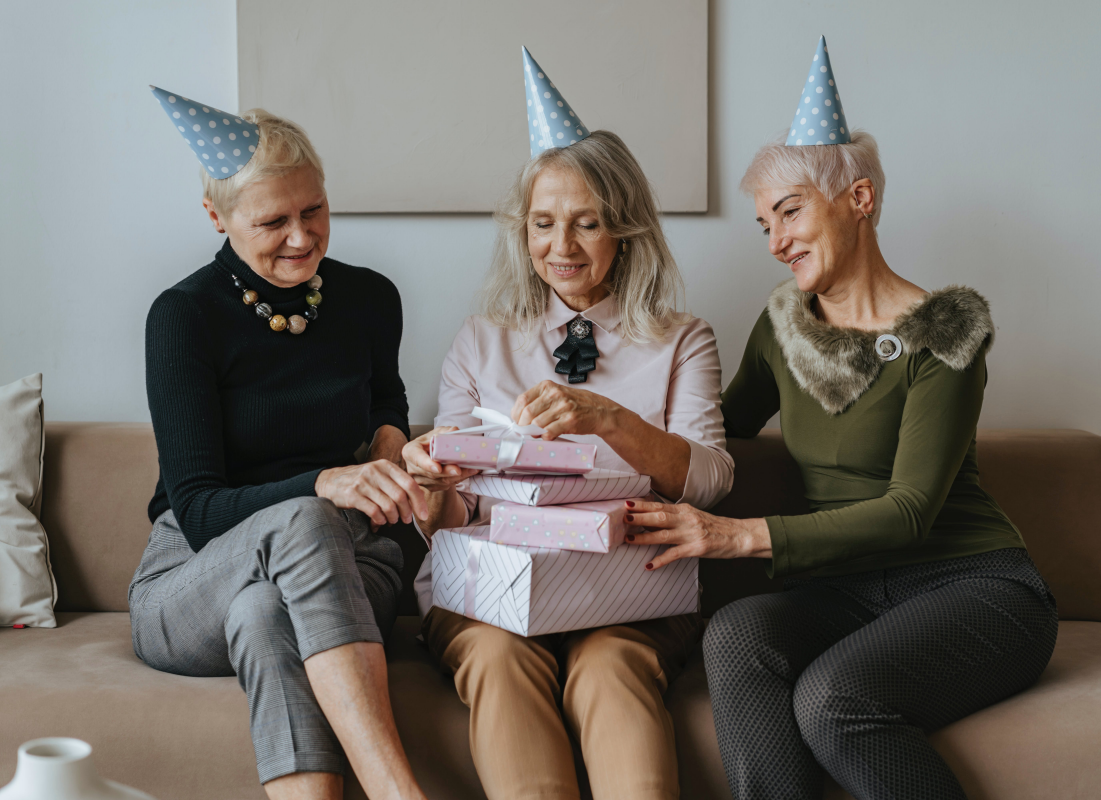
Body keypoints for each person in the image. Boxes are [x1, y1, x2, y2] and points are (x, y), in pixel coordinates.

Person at [623, 38, 1059, 800]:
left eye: (789, 212)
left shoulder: (945, 334)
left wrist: (740, 537)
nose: (776, 241)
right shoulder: (783, 326)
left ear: (858, 200)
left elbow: (911, 512)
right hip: (850, 592)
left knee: (835, 699)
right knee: (736, 636)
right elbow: (709, 438)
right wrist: (610, 432)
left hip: (976, 586)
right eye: (765, 225)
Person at [400, 49, 734, 800]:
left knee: (611, 668)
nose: (562, 247)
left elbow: (710, 481)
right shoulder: (481, 338)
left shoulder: (683, 337)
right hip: (490, 593)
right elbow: (453, 516)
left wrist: (607, 418)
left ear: (626, 231)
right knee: (494, 658)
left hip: (630, 588)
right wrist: (434, 487)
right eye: (544, 224)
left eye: (587, 225)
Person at [132, 88, 430, 800]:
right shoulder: (183, 317)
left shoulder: (370, 298)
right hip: (194, 573)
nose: (302, 237)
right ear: (217, 217)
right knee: (304, 518)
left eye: (314, 211)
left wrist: (393, 437)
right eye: (273, 221)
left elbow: (383, 397)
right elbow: (199, 511)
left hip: (353, 564)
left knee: (268, 615)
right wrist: (323, 483)